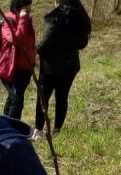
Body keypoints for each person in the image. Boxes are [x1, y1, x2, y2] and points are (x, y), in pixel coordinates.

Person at [32, 0, 91, 140]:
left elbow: (43, 45)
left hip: (51, 68)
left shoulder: (55, 17)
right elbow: (83, 43)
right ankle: (57, 130)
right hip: (71, 65)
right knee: (62, 97)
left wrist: (36, 48)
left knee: (43, 97)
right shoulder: (80, 15)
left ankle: (39, 131)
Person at [0, 0, 37, 121]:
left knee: (13, 98)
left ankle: (5, 124)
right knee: (17, 99)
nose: (28, 9)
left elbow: (30, 41)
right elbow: (17, 40)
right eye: (26, 7)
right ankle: (14, 129)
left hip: (26, 67)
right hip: (11, 69)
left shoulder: (26, 18)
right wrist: (23, 18)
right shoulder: (8, 20)